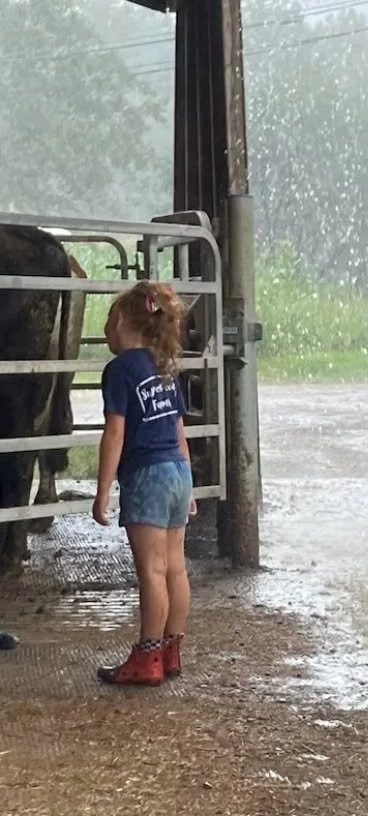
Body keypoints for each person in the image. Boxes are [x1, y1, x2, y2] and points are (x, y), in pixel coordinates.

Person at [91, 281, 196, 687]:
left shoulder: (119, 371)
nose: (106, 331)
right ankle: (171, 651)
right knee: (175, 569)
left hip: (147, 475)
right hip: (177, 471)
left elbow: (114, 435)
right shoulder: (164, 364)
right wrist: (188, 487)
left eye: (107, 322)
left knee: (151, 572)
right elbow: (178, 429)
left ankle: (147, 655)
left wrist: (103, 493)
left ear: (121, 322)